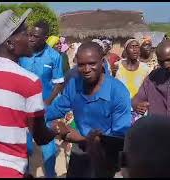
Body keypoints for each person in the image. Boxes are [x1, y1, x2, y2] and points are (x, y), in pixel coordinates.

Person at [0, 9, 68, 178]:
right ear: (10, 43)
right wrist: (57, 130)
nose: (30, 39)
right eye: (26, 35)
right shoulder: (30, 81)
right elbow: (40, 137)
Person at [45, 41, 131, 178]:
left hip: (107, 154)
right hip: (80, 149)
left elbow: (120, 135)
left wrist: (92, 140)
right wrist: (51, 124)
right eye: (81, 65)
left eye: (92, 63)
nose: (86, 70)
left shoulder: (118, 92)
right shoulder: (74, 84)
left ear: (102, 62)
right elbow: (56, 109)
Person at [19, 20, 65, 178]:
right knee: (24, 147)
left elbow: (59, 83)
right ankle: (24, 174)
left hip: (43, 110)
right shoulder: (22, 53)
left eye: (35, 36)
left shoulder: (54, 57)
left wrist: (48, 102)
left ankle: (50, 175)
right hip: (22, 108)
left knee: (48, 148)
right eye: (30, 35)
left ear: (45, 38)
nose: (30, 38)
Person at [132, 39, 170, 127]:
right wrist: (137, 105)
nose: (166, 65)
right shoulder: (153, 77)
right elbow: (136, 99)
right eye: (161, 61)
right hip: (156, 134)